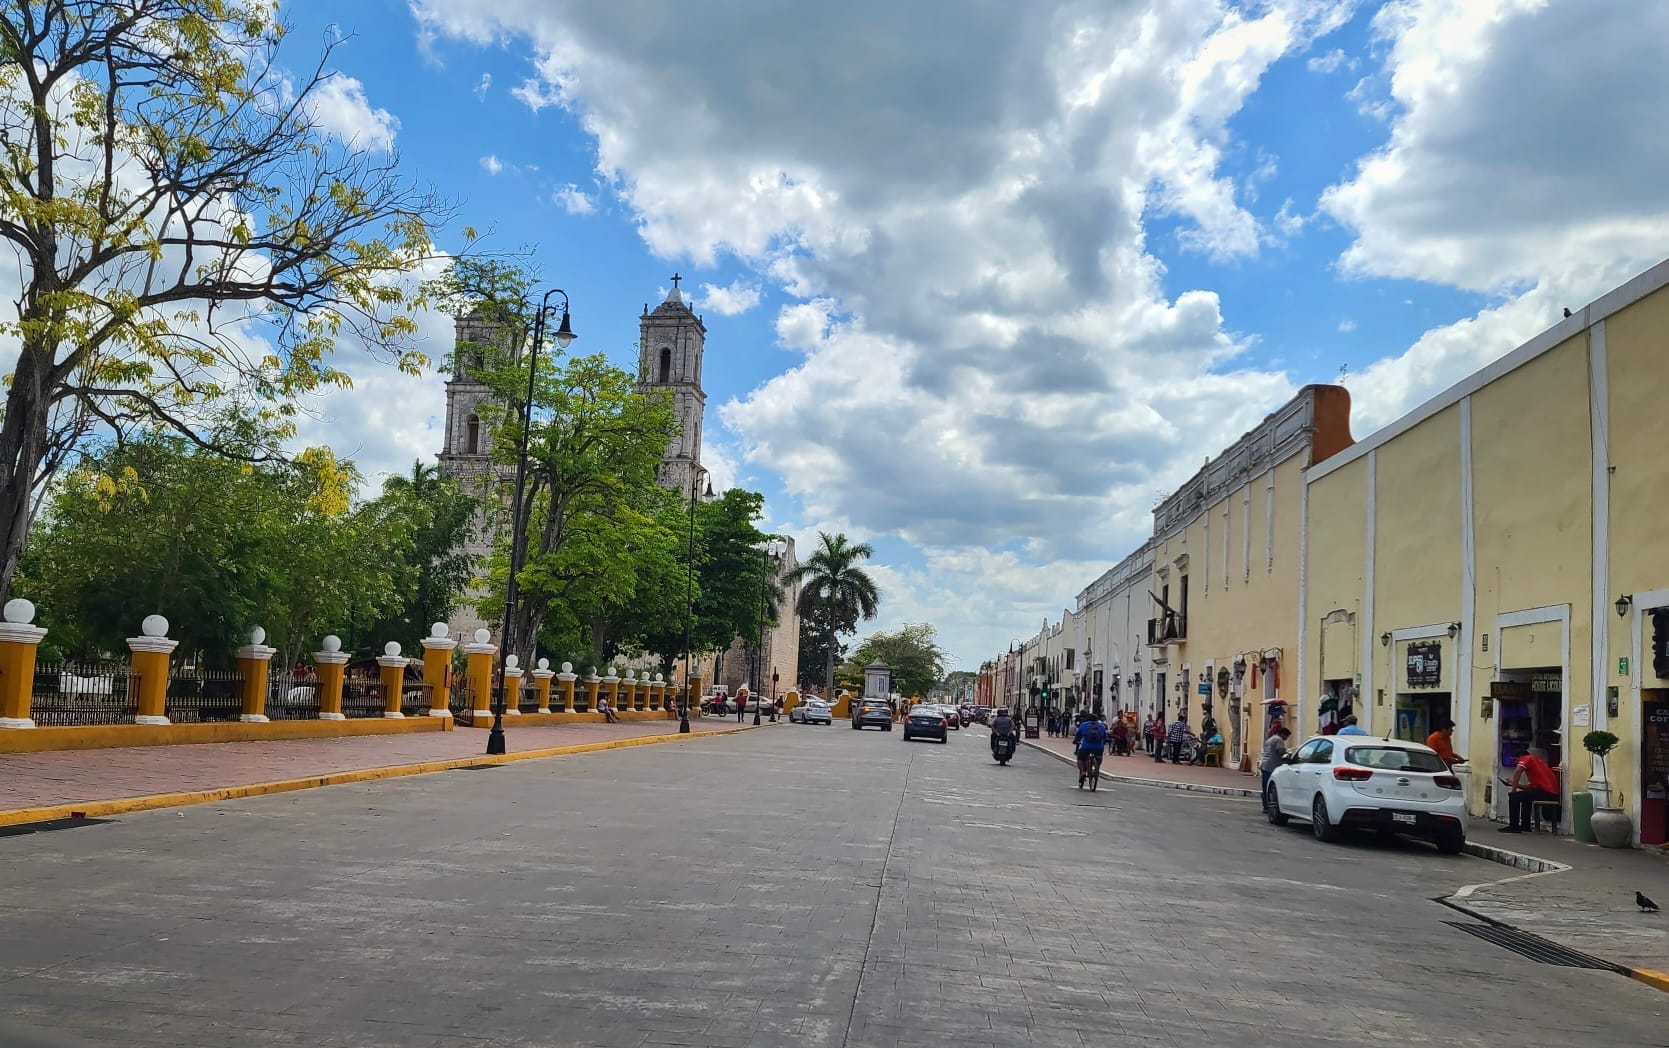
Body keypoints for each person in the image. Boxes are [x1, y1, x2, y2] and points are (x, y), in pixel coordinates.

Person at [1500, 751, 1560, 833]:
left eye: (1516, 759)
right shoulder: (1537, 764)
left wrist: (1513, 790)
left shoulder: (1527, 758)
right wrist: (1513, 784)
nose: (1515, 762)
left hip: (1547, 793)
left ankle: (1514, 826)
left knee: (1514, 797)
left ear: (1520, 756)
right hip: (1550, 793)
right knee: (1526, 797)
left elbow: (1518, 771)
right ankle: (1525, 825)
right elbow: (1530, 788)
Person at [1260, 727, 1292, 811]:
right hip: (1271, 766)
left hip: (1264, 764)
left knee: (1265, 786)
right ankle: (1268, 806)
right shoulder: (1278, 740)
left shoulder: (1270, 739)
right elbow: (1281, 751)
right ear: (1282, 734)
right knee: (1270, 787)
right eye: (1286, 737)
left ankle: (1265, 806)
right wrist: (1288, 754)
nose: (1286, 739)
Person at [1074, 714, 1107, 786]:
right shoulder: (1102, 726)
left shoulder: (1084, 725)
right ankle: (1096, 769)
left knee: (1080, 758)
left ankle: (1083, 772)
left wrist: (1075, 741)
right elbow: (1105, 737)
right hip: (1099, 748)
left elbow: (1078, 735)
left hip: (1086, 747)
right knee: (1099, 757)